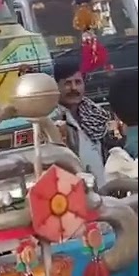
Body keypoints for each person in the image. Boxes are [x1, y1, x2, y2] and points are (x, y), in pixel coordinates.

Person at [50, 53, 120, 185]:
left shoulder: (96, 114)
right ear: (56, 87)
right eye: (67, 83)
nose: (74, 88)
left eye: (78, 82)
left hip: (103, 190)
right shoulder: (52, 120)